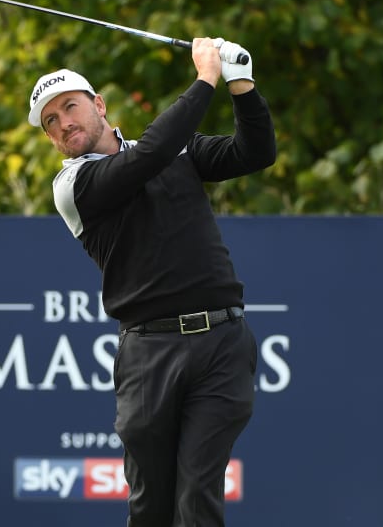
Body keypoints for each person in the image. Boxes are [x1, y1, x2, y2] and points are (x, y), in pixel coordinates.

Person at [28, 38, 276, 527]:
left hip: (222, 344)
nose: (63, 124)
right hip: (148, 354)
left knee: (198, 498)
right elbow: (147, 159)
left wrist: (240, 83)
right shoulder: (72, 186)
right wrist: (205, 77)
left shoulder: (175, 149)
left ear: (98, 105)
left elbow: (255, 153)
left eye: (69, 108)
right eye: (50, 122)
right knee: (151, 508)